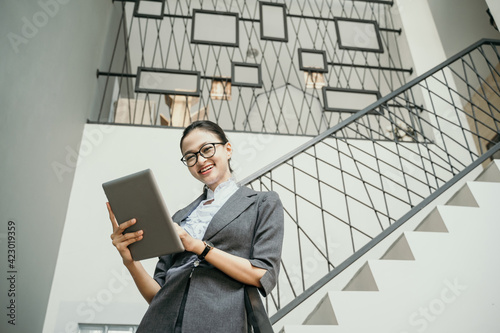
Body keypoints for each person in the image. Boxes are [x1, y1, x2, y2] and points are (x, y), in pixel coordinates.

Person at [107, 120, 284, 332]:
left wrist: (198, 246)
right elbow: (158, 295)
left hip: (220, 322)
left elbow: (262, 275)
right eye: (191, 156)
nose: (200, 160)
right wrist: (130, 261)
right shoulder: (179, 217)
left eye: (207, 149)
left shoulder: (262, 203)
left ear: (227, 149)